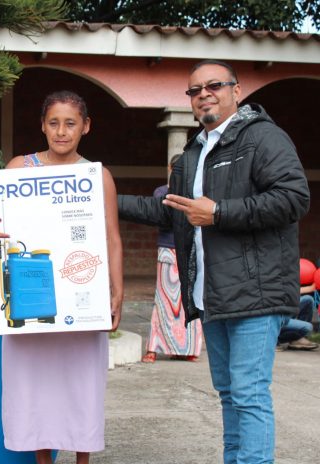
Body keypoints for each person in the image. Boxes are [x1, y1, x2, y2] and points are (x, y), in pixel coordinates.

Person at [118, 60, 310, 463]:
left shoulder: (263, 138)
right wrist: (100, 200)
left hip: (257, 294)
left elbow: (294, 198)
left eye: (214, 85)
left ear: (236, 91)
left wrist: (219, 212)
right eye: (195, 89)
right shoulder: (193, 153)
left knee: (249, 394)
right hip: (214, 295)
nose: (204, 93)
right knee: (230, 395)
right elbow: (169, 210)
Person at [0, 90, 123, 464]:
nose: (61, 131)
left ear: (85, 127)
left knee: (81, 385)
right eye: (53, 123)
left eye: (70, 123)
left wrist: (116, 293)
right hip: (29, 294)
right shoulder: (19, 169)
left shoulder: (96, 176)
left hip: (81, 297)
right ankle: (43, 460)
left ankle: (82, 459)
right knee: (35, 386)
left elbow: (112, 237)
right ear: (42, 125)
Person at [142, 154, 203, 363]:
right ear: (170, 168)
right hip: (168, 248)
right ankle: (153, 347)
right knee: (164, 300)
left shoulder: (197, 191)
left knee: (189, 299)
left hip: (191, 250)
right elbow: (161, 217)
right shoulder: (162, 192)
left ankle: (186, 349)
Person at [277, 284, 319, 351]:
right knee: (308, 327)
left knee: (308, 300)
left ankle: (297, 339)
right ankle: (273, 340)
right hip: (275, 315)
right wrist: (310, 288)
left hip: (284, 310)